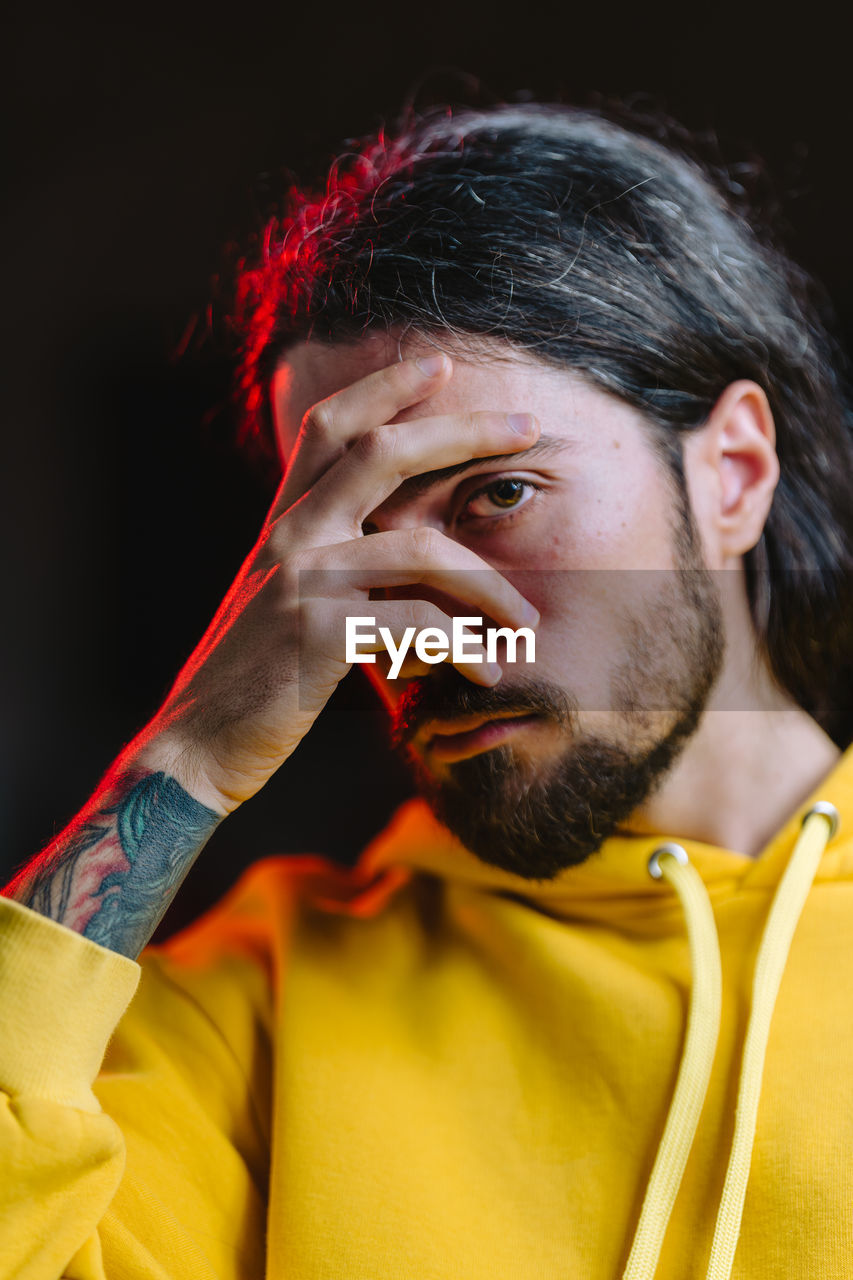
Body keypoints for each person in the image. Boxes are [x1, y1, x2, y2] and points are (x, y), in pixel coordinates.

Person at [2, 101, 853, 1280]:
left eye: (494, 495)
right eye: (349, 537)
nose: (421, 619)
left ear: (732, 477)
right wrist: (182, 761)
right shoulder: (253, 1008)